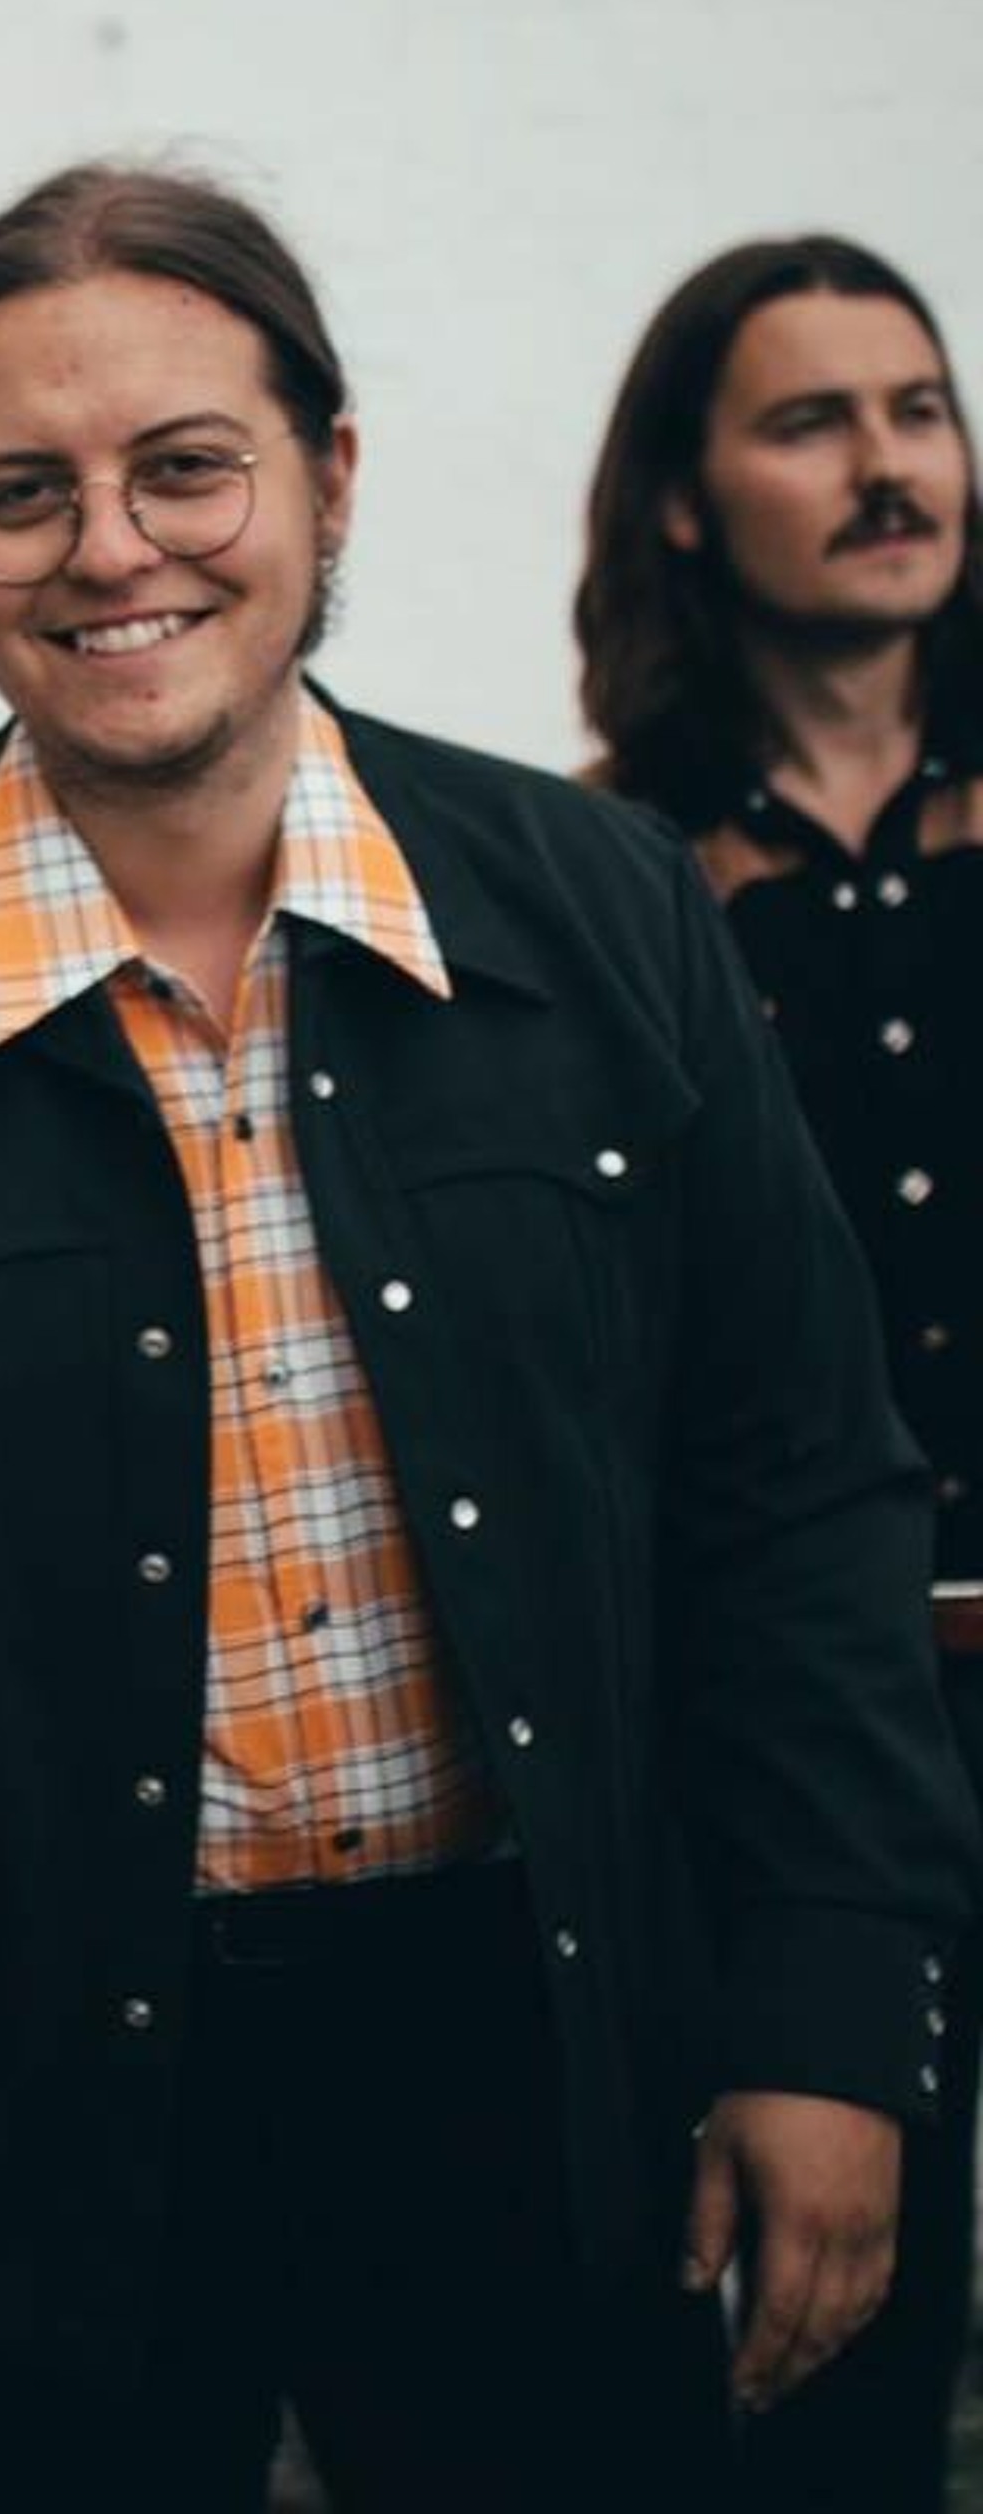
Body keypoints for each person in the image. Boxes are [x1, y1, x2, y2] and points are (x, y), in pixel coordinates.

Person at [0, 164, 978, 2511]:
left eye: (187, 467)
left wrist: (836, 2014)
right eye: (19, 493)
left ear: (328, 478)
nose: (109, 550)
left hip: (546, 2071)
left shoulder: (606, 911)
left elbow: (795, 1495)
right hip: (10, 2117)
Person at [578, 232, 983, 2511]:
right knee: (828, 2362)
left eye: (918, 410)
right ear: (683, 493)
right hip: (792, 1733)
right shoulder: (611, 878)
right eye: (812, 422)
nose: (886, 465)